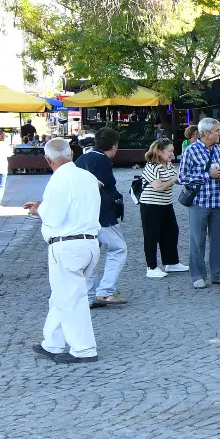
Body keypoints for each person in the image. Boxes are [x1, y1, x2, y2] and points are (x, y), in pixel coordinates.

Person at [22, 138, 99, 363]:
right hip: (90, 242)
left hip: (67, 245)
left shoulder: (58, 179)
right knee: (63, 295)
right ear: (71, 154)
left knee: (71, 297)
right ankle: (52, 342)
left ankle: (84, 349)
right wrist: (42, 207)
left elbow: (54, 217)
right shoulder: (87, 176)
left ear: (48, 160)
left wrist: (39, 211)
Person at [75, 130, 129, 308]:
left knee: (90, 255)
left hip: (83, 214)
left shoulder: (82, 159)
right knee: (118, 249)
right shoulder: (102, 160)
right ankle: (105, 291)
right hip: (102, 214)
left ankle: (90, 295)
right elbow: (105, 187)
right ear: (114, 146)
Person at [175, 118, 220, 287]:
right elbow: (182, 177)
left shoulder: (218, 150)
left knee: (219, 240)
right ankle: (198, 276)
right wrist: (209, 175)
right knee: (197, 240)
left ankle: (219, 274)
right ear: (206, 133)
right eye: (217, 131)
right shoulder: (190, 151)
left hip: (217, 201)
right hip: (199, 202)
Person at [135, 138, 182, 277]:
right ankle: (151, 267)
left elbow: (178, 180)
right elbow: (158, 186)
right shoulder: (152, 166)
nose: (172, 154)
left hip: (167, 204)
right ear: (160, 152)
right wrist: (175, 179)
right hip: (151, 205)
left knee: (171, 232)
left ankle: (171, 263)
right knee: (151, 236)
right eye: (170, 151)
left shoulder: (168, 165)